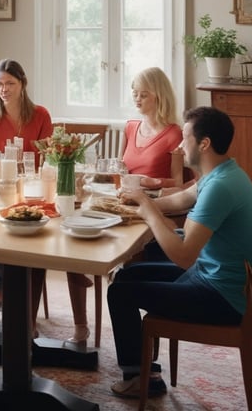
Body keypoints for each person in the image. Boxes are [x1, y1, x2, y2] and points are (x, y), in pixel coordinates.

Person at [106, 106, 252, 399]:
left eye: (185, 138)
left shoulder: (221, 187)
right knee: (125, 276)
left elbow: (184, 256)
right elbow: (181, 198)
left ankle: (143, 379)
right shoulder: (223, 173)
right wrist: (138, 201)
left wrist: (148, 211)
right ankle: (144, 368)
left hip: (220, 297)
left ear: (204, 144)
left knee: (119, 293)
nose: (179, 145)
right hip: (215, 276)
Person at [65, 67, 186, 345]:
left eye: (144, 94)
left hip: (152, 207)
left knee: (124, 257)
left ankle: (140, 335)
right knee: (73, 234)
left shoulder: (173, 133)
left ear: (159, 97)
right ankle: (80, 324)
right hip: (124, 202)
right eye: (134, 93)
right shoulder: (131, 127)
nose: (137, 98)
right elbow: (118, 170)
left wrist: (149, 182)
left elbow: (179, 183)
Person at [0, 58, 53, 312]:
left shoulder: (40, 115)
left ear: (23, 84)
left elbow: (48, 158)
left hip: (33, 192)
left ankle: (22, 308)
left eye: (10, 83)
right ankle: (2, 296)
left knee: (35, 245)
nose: (4, 89)